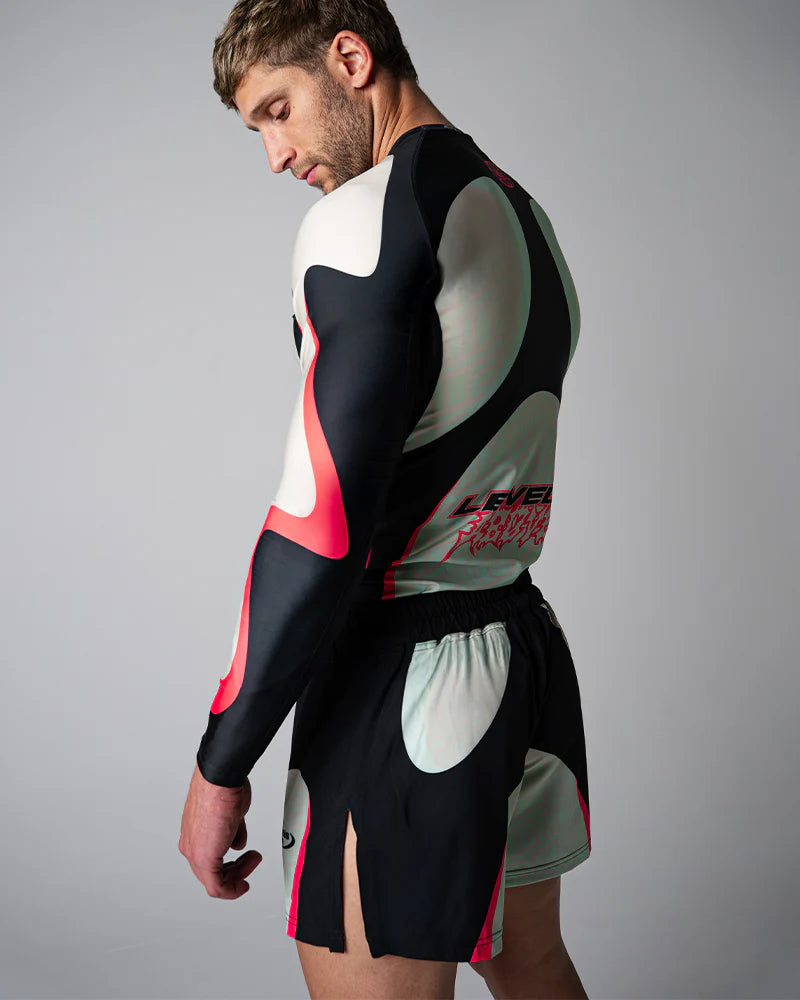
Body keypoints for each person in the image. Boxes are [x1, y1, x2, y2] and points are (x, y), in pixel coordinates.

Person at [178, 2, 591, 997]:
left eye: (279, 110)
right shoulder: (521, 214)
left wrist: (220, 760)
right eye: (255, 130)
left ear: (351, 58)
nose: (276, 155)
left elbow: (318, 529)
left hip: (403, 688)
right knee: (534, 967)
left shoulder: (364, 219)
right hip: (519, 654)